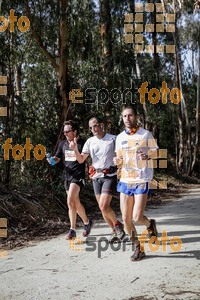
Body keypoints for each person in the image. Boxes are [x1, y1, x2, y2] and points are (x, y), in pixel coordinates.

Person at [70, 116, 125, 243]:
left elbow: (122, 155)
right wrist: (74, 149)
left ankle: (117, 226)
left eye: (95, 126)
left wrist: (121, 163)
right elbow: (80, 159)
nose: (93, 129)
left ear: (101, 125)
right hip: (96, 177)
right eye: (90, 127)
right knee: (102, 208)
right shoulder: (90, 141)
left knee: (103, 205)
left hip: (109, 176)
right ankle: (115, 230)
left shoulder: (113, 139)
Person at [115, 106, 158, 261]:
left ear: (136, 117)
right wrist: (117, 161)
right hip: (126, 181)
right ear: (122, 118)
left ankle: (149, 224)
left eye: (130, 115)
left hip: (141, 179)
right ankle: (138, 248)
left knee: (137, 216)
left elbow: (157, 152)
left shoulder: (145, 134)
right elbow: (119, 158)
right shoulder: (119, 138)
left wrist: (148, 155)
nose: (127, 118)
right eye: (125, 116)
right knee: (126, 220)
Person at [47, 120, 93, 240]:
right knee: (75, 203)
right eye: (64, 132)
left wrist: (74, 148)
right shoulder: (63, 143)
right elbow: (57, 158)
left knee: (69, 201)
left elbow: (81, 160)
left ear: (75, 131)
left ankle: (72, 229)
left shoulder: (83, 143)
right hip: (67, 176)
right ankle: (87, 222)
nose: (65, 134)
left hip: (78, 176)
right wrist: (52, 160)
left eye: (68, 131)